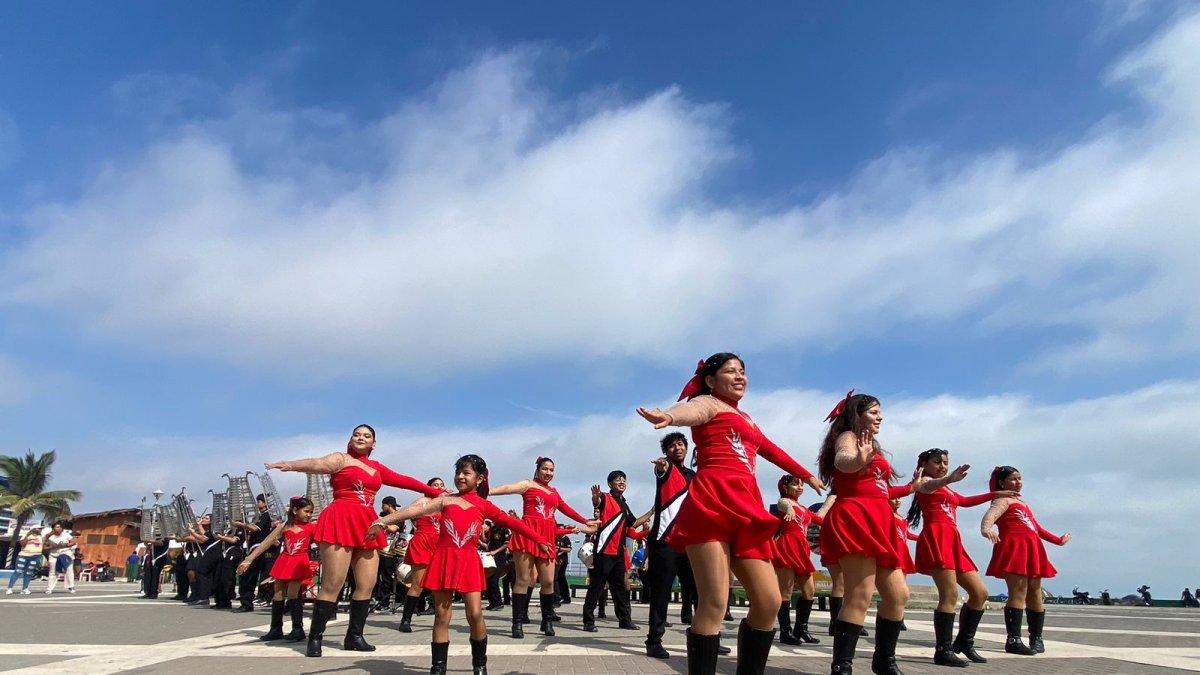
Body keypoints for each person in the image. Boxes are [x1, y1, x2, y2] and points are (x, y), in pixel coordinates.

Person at [636, 353, 824, 675]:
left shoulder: (748, 419)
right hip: (712, 502)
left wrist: (805, 474)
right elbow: (691, 410)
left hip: (747, 507)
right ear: (711, 381)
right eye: (730, 372)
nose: (740, 377)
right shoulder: (709, 404)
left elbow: (771, 449)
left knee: (768, 602)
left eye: (743, 371)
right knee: (714, 602)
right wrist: (669, 416)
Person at [365, 454, 556, 675]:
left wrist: (540, 540)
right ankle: (438, 667)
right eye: (458, 472)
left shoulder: (485, 505)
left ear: (480, 478)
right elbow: (413, 511)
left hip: (468, 562)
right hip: (444, 560)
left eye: (466, 473)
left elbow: (515, 523)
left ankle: (479, 664)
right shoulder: (445, 500)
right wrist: (382, 521)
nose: (460, 477)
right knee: (442, 615)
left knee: (474, 614)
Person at [265, 424, 445, 657]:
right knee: (332, 584)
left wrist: (436, 493)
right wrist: (290, 465)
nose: (361, 438)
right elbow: (318, 464)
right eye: (357, 434)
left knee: (366, 583)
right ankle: (315, 637)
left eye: (367, 436)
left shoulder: (376, 467)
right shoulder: (341, 459)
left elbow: (404, 481)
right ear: (350, 439)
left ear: (373, 444)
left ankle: (355, 636)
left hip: (367, 523)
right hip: (340, 518)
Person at [818, 391, 926, 675]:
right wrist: (857, 460)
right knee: (860, 594)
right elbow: (843, 461)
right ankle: (842, 666)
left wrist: (913, 487)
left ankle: (884, 660)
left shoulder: (872, 446)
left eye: (880, 412)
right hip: (856, 518)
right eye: (874, 412)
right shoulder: (849, 438)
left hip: (880, 520)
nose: (880, 417)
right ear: (857, 414)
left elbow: (881, 489)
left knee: (898, 595)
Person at [906, 448, 1017, 666]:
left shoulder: (945, 487)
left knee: (980, 593)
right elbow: (927, 486)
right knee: (949, 595)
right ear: (924, 465)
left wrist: (995, 494)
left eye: (945, 462)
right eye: (937, 462)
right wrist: (949, 478)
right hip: (937, 537)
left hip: (953, 540)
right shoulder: (924, 481)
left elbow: (964, 501)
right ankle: (943, 650)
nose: (943, 466)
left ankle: (964, 642)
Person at [489, 457, 594, 638]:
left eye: (551, 470)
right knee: (523, 580)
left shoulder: (554, 492)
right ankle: (518, 623)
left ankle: (546, 621)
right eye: (545, 469)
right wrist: (487, 492)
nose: (548, 473)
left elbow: (566, 508)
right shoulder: (528, 484)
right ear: (538, 470)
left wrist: (585, 520)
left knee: (547, 581)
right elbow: (507, 488)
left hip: (547, 537)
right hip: (527, 534)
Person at [982, 465, 1071, 656]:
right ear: (1001, 482)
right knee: (1018, 592)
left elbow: (1036, 527)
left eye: (1019, 478)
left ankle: (1036, 638)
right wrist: (986, 528)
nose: (1018, 482)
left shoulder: (1022, 503)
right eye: (1013, 479)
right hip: (1015, 549)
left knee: (1035, 593)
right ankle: (1013, 639)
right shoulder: (1002, 500)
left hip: (1032, 548)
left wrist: (1058, 540)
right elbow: (990, 516)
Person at [642, 431, 703, 659]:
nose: (676, 448)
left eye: (680, 444)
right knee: (661, 593)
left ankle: (704, 635)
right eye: (671, 446)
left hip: (690, 543)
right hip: (665, 542)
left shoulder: (695, 476)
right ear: (665, 452)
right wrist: (661, 467)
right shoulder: (665, 469)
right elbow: (661, 470)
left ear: (686, 448)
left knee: (700, 593)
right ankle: (654, 641)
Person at [239, 496, 317, 643]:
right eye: (306, 511)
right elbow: (266, 543)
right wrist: (248, 559)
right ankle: (276, 629)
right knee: (278, 594)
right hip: (284, 560)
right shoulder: (284, 526)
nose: (309, 514)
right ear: (295, 510)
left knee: (294, 594)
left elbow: (324, 543)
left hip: (299, 561)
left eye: (311, 512)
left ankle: (297, 629)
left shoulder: (311, 527)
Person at [773, 477, 836, 646]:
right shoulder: (785, 501)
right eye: (795, 483)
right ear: (785, 487)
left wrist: (831, 499)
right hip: (787, 547)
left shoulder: (803, 508)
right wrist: (789, 510)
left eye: (801, 484)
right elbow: (782, 504)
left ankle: (801, 629)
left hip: (802, 550)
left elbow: (820, 517)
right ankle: (785, 631)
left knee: (809, 591)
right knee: (785, 591)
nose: (800, 487)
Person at [582, 470, 645, 633]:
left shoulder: (624, 503)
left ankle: (625, 620)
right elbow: (597, 502)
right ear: (610, 484)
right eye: (618, 480)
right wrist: (595, 498)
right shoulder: (605, 497)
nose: (622, 482)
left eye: (624, 479)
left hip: (618, 553)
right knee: (596, 587)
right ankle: (588, 621)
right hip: (604, 551)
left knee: (620, 589)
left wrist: (653, 511)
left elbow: (634, 523)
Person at [397, 478, 447, 633]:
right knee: (418, 583)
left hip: (440, 544)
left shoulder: (445, 502)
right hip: (423, 542)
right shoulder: (423, 501)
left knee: (440, 584)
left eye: (441, 484)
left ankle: (440, 617)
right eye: (435, 485)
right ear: (428, 488)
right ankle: (405, 620)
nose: (439, 487)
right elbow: (405, 513)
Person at [5, 529, 44, 595]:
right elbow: (22, 544)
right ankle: (9, 588)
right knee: (18, 571)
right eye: (37, 528)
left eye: (40, 529)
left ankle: (24, 589)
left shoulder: (41, 537)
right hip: (24, 556)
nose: (39, 530)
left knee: (28, 573)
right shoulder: (26, 535)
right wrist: (27, 536)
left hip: (35, 557)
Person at [43, 521, 78, 594]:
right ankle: (49, 588)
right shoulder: (49, 536)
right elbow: (44, 547)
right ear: (53, 528)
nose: (58, 528)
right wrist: (52, 546)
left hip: (65, 553)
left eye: (60, 527)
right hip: (54, 555)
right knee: (53, 571)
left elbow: (74, 541)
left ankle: (71, 586)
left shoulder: (66, 535)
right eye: (57, 527)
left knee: (69, 570)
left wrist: (66, 545)